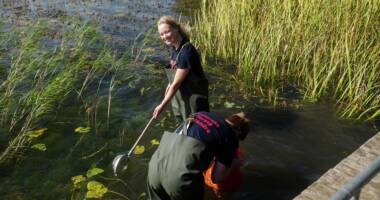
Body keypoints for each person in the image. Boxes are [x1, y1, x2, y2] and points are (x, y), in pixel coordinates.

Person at [147, 111, 250, 200]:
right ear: (238, 132)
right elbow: (217, 178)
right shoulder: (230, 136)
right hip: (180, 178)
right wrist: (236, 163)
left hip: (155, 166)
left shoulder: (200, 114)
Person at [153, 16, 209, 122]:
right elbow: (175, 73)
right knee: (184, 124)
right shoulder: (175, 48)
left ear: (176, 29)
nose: (165, 36)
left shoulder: (186, 52)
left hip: (193, 99)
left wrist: (162, 105)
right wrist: (168, 86)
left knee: (196, 126)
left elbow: (176, 84)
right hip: (183, 97)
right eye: (161, 34)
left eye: (167, 32)